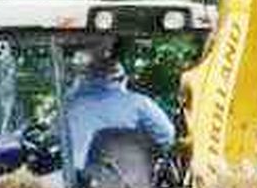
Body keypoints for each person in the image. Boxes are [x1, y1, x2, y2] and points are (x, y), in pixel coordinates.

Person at [63, 44, 176, 176]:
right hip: (125, 182)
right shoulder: (138, 103)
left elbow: (55, 137)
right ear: (122, 79)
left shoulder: (69, 104)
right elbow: (167, 136)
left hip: (73, 181)